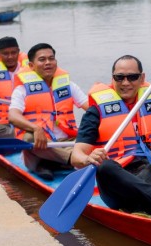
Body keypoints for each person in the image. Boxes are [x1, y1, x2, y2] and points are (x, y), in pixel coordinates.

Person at [70, 49, 151, 223]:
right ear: (112, 78)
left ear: (142, 78)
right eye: (119, 77)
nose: (125, 82)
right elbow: (76, 155)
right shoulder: (96, 111)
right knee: (104, 167)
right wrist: (88, 158)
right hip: (121, 186)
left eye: (132, 77)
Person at [7, 43, 89, 178]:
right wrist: (35, 128)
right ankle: (74, 160)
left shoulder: (69, 86)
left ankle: (58, 163)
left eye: (51, 59)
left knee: (94, 132)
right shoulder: (22, 90)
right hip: (41, 146)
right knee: (28, 138)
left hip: (68, 141)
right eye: (42, 59)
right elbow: (13, 116)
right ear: (31, 66)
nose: (48, 63)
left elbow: (91, 109)